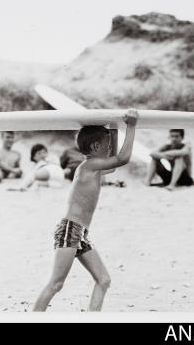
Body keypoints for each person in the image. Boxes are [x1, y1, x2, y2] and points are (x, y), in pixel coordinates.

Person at [33, 109, 138, 312]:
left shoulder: (96, 166)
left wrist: (115, 128)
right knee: (56, 284)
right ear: (97, 146)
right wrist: (131, 127)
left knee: (103, 280)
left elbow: (114, 164)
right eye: (107, 145)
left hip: (80, 233)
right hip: (70, 230)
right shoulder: (88, 166)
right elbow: (122, 159)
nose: (110, 149)